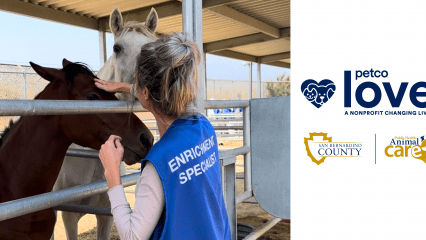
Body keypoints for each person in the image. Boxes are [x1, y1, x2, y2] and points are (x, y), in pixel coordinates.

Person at [95, 32, 231, 240]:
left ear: (146, 92)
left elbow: (132, 236)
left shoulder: (159, 162)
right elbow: (157, 91)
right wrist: (126, 87)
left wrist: (112, 174)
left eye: (137, 83)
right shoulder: (204, 128)